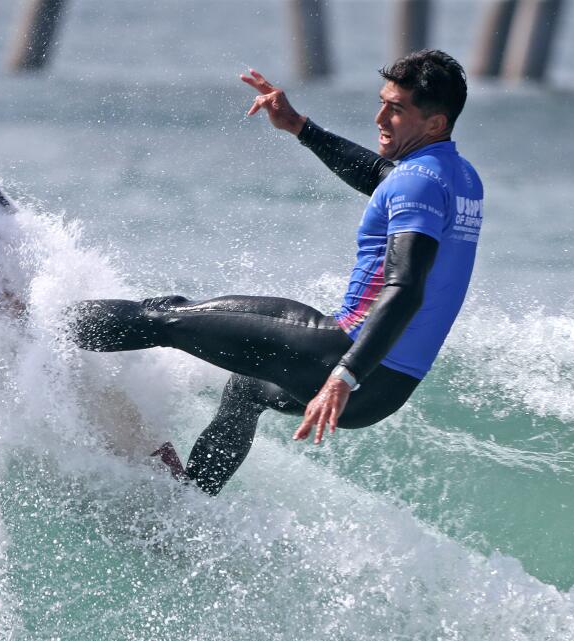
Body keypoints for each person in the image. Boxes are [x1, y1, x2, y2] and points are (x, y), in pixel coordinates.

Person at [69, 50, 484, 495]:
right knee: (247, 389)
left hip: (343, 359)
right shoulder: (459, 178)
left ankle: (39, 327)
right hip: (386, 389)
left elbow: (405, 289)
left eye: (396, 109)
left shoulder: (416, 182)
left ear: (435, 124)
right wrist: (300, 127)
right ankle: (190, 500)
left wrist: (342, 376)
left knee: (166, 315)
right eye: (382, 101)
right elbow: (383, 176)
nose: (380, 116)